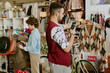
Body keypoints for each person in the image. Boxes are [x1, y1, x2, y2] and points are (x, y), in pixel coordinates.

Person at [46, 2, 76, 73]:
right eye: (62, 13)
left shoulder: (51, 25)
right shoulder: (56, 29)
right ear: (57, 14)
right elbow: (67, 49)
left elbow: (66, 26)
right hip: (60, 65)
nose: (63, 15)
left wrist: (81, 23)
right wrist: (72, 35)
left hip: (56, 63)